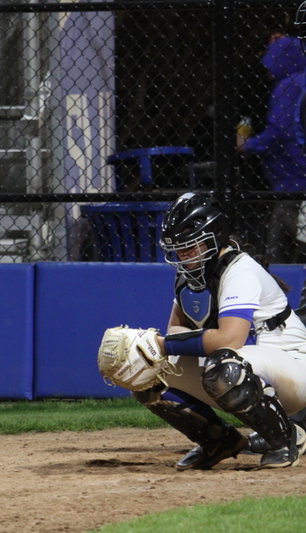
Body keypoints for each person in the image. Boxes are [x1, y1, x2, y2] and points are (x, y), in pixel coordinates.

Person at [131, 192, 306, 470]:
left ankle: (286, 438)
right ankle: (217, 440)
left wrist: (164, 344)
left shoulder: (239, 269)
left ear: (214, 238)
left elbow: (228, 339)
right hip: (252, 367)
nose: (182, 255)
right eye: (178, 248)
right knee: (144, 369)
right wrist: (156, 348)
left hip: (294, 368)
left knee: (224, 364)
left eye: (190, 246)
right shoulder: (191, 275)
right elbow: (175, 330)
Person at [238, 34, 306, 263]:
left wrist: (249, 145)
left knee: (285, 239)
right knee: (283, 238)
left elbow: (281, 130)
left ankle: (278, 279)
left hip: (292, 178)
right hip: (292, 178)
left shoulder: (289, 85)